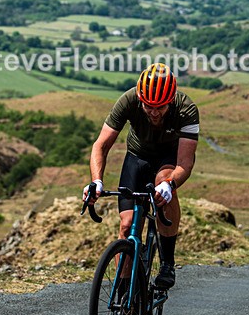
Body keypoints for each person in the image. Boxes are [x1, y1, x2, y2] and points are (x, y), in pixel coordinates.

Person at [83, 62, 199, 294]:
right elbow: (101, 145)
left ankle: (167, 262)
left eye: (161, 107)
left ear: (171, 99)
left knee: (163, 183)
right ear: (139, 96)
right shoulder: (128, 100)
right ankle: (123, 298)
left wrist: (170, 184)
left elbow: (185, 162)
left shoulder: (186, 109)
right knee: (126, 227)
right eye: (148, 106)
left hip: (169, 158)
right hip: (137, 157)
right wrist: (96, 181)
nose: (154, 112)